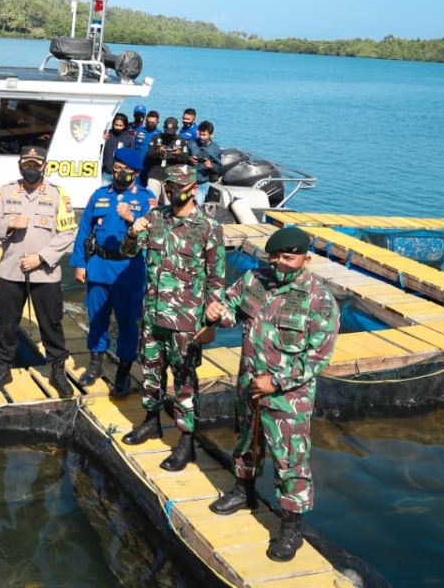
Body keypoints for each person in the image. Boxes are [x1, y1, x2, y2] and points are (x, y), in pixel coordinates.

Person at [205, 227, 339, 562]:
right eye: (274, 256)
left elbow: (318, 356)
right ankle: (243, 492)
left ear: (306, 259)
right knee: (246, 443)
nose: (280, 263)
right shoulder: (254, 280)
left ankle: (291, 528)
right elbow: (232, 310)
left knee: (290, 461)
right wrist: (217, 313)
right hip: (249, 386)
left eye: (288, 257)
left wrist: (276, 383)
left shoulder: (319, 300)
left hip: (288, 399)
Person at [119, 164, 225, 472]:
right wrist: (132, 230)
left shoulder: (207, 227)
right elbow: (129, 252)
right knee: (150, 374)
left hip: (186, 323)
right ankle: (152, 423)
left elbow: (217, 280)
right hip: (153, 316)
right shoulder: (156, 218)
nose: (172, 192)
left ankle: (186, 443)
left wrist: (211, 324)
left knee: (184, 383)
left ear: (193, 189)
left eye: (178, 187)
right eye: (168, 187)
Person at [0, 146, 77, 398]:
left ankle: (57, 372)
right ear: (19, 165)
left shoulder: (58, 195)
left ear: (44, 166)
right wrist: (8, 223)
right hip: (11, 271)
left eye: (36, 164)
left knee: (51, 325)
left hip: (45, 273)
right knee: (5, 323)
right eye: (27, 164)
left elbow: (69, 232)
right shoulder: (5, 191)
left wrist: (41, 258)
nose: (31, 168)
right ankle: (2, 368)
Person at [70, 148, 156, 394]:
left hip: (129, 270)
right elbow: (84, 230)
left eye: (124, 171)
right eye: (116, 169)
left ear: (136, 173)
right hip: (99, 267)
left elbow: (155, 232)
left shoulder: (146, 198)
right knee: (97, 317)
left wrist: (132, 217)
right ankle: (95, 363)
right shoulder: (99, 195)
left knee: (128, 322)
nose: (119, 174)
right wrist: (79, 263)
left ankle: (123, 372)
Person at [145, 116, 190, 194]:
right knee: (151, 200)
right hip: (156, 174)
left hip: (172, 176)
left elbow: (186, 159)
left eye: (171, 132)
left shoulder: (181, 140)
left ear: (177, 129)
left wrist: (179, 154)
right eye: (167, 131)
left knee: (168, 203)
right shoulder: (157, 138)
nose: (169, 134)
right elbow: (149, 154)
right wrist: (158, 152)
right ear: (164, 128)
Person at [188, 121, 223, 204]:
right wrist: (189, 159)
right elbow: (184, 157)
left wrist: (211, 166)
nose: (201, 137)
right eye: (200, 134)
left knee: (197, 205)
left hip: (202, 183)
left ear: (211, 135)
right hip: (188, 182)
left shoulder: (215, 149)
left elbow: (219, 168)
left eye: (204, 135)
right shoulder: (192, 143)